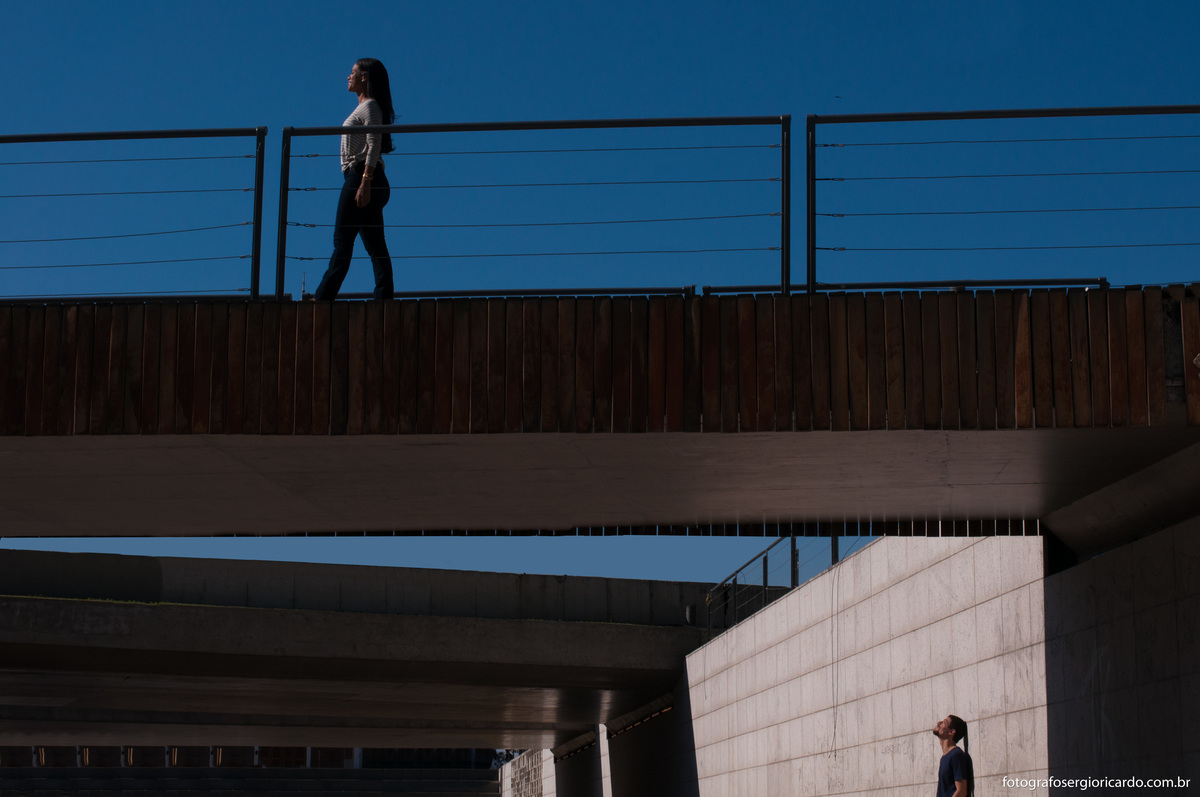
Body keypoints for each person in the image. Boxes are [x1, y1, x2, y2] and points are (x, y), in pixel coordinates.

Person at [313, 58, 396, 301]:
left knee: (342, 241)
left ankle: (322, 299)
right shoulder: (366, 107)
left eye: (352, 72)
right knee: (375, 245)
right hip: (367, 177)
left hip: (362, 176)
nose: (348, 76)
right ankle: (384, 298)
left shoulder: (370, 106)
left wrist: (364, 182)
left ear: (364, 77)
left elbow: (374, 143)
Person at [932, 714, 974, 797]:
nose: (939, 723)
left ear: (951, 732)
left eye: (944, 722)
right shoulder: (945, 757)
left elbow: (961, 791)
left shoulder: (956, 755)